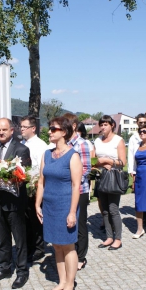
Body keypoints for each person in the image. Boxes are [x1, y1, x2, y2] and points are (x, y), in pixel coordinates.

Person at [35, 116, 82, 290]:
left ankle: (70, 283)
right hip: (49, 206)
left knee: (68, 246)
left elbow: (76, 186)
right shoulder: (46, 154)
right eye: (50, 128)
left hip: (65, 206)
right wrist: (37, 204)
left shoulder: (73, 155)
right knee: (56, 245)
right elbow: (41, 181)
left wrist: (72, 212)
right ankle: (62, 281)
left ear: (64, 132)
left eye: (53, 129)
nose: (49, 132)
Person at [0, 118, 31, 289]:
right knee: (3, 237)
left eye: (4, 129)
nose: (1, 133)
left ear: (12, 130)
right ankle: (5, 267)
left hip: (15, 202)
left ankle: (22, 271)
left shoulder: (21, 149)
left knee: (19, 238)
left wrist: (4, 174)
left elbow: (23, 176)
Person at [62, 113, 91, 270]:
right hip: (65, 191)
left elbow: (86, 168)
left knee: (80, 224)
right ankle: (69, 252)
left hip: (80, 190)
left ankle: (81, 256)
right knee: (68, 222)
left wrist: (71, 180)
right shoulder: (64, 144)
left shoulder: (81, 144)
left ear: (73, 126)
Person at [94, 115, 126, 250]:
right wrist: (98, 164)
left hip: (113, 177)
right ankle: (108, 237)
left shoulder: (118, 140)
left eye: (105, 125)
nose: (103, 127)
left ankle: (118, 239)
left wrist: (108, 161)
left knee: (113, 209)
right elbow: (93, 160)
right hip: (101, 176)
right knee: (105, 210)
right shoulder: (97, 141)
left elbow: (122, 162)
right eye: (101, 125)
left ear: (112, 125)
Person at [20, 115, 48, 263]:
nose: (22, 129)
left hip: (35, 186)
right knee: (25, 220)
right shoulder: (21, 143)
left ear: (33, 128)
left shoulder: (40, 145)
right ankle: (28, 246)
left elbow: (41, 169)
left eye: (24, 127)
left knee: (35, 220)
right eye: (21, 127)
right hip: (23, 187)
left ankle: (38, 248)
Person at [128, 114, 146, 226]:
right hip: (140, 168)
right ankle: (145, 218)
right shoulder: (133, 138)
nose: (143, 124)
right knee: (142, 193)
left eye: (145, 122)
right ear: (137, 123)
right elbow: (131, 154)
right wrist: (132, 170)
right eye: (141, 123)